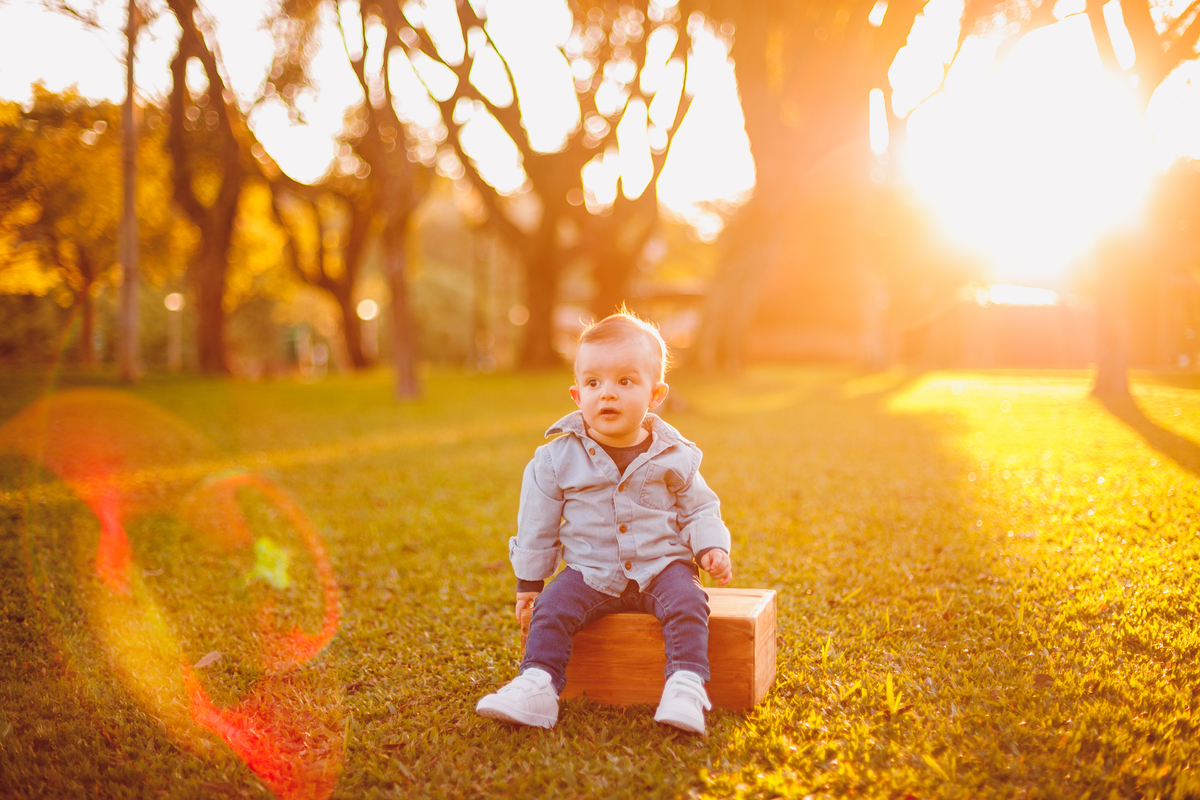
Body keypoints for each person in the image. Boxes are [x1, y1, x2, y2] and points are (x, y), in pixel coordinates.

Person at [475, 311, 733, 735]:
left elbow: (700, 508)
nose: (607, 395)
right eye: (594, 383)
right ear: (577, 395)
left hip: (662, 567)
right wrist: (529, 584)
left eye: (625, 382)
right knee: (552, 611)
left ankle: (685, 685)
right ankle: (537, 684)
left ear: (655, 394)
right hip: (590, 572)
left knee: (689, 604)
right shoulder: (555, 460)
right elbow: (536, 524)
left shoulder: (677, 456)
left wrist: (710, 548)